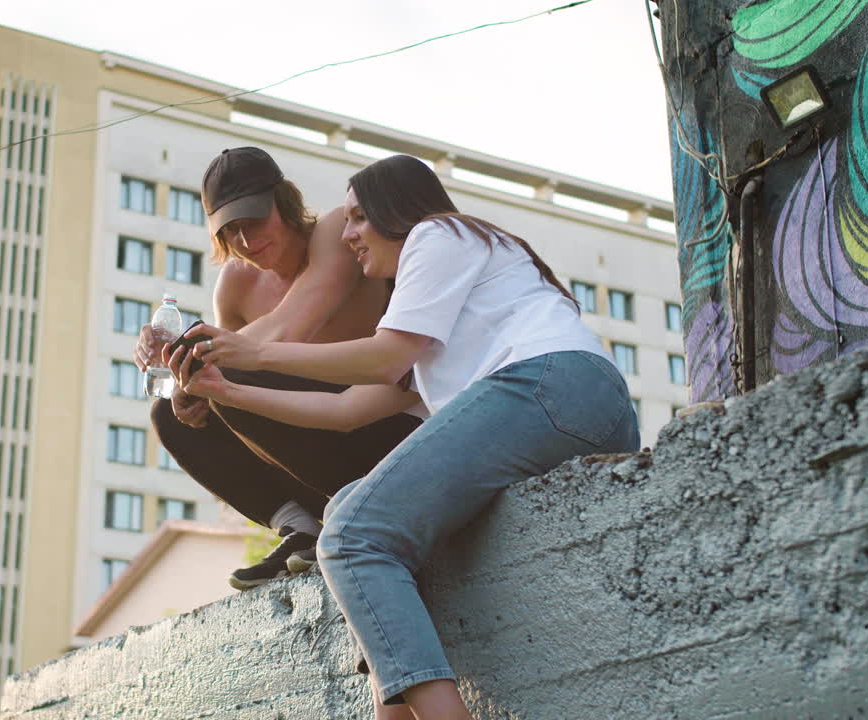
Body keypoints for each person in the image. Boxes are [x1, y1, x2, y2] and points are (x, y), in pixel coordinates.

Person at [172, 154, 639, 719]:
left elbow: (383, 355)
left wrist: (256, 351)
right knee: (351, 513)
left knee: (349, 536)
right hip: (558, 404)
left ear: (396, 213)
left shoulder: (438, 235)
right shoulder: (432, 328)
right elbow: (346, 411)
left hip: (552, 386)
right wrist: (227, 393)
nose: (347, 236)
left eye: (358, 220)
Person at [134, 147, 422, 590]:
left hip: (391, 430)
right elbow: (229, 382)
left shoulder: (337, 234)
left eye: (254, 220)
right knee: (170, 416)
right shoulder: (235, 284)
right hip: (315, 455)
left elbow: (292, 323)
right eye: (231, 231)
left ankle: (342, 517)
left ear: (283, 201)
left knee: (225, 375)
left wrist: (198, 356)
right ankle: (300, 525)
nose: (247, 242)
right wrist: (187, 385)